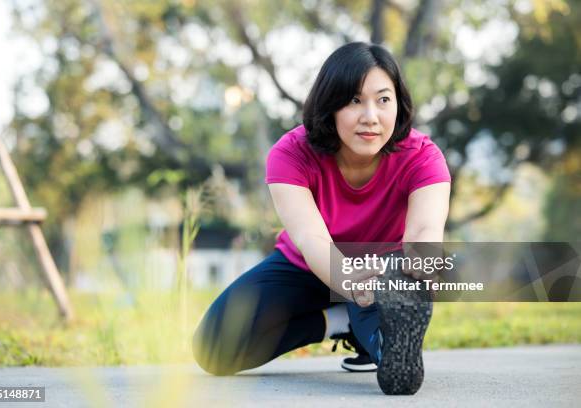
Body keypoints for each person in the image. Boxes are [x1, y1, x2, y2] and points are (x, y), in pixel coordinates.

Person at [192, 42, 451, 395]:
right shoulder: (291, 153)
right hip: (306, 265)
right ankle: (341, 322)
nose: (370, 116)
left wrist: (420, 261)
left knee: (390, 340)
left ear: (399, 104)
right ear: (329, 105)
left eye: (383, 99)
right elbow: (310, 238)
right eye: (354, 100)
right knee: (213, 349)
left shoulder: (423, 156)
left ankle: (381, 342)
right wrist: (344, 280)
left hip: (380, 272)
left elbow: (425, 228)